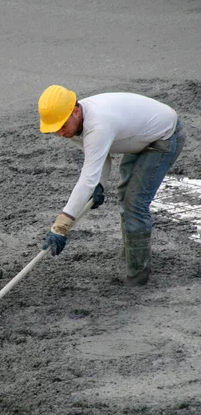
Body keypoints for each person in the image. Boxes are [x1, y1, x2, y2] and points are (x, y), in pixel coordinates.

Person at [38, 85, 186, 286]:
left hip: (164, 138)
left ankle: (137, 277)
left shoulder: (98, 123)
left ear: (75, 111)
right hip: (137, 140)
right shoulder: (74, 125)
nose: (60, 134)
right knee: (125, 194)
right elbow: (99, 156)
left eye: (62, 126)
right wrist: (100, 185)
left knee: (135, 205)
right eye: (55, 129)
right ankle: (131, 258)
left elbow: (87, 178)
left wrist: (61, 226)